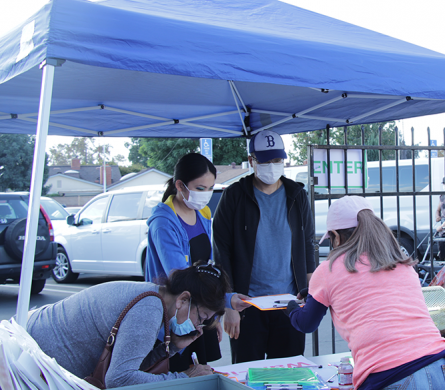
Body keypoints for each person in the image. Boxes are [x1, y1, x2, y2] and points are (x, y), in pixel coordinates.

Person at [287, 196, 445, 390]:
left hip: (390, 375)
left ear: (336, 236)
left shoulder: (328, 269)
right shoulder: (400, 262)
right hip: (443, 365)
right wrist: (315, 294)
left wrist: (290, 307)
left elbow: (306, 323)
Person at [26, 263, 226, 388]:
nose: (198, 326)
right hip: (33, 363)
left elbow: (129, 366)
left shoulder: (155, 296)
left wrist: (173, 346)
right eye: (202, 317)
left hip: (39, 352)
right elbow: (120, 379)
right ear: (183, 299)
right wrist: (184, 377)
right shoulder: (149, 308)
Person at [213, 130, 316, 363]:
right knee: (248, 375)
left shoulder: (297, 195)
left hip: (290, 303)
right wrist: (228, 304)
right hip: (247, 304)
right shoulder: (234, 196)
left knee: (290, 374)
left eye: (277, 160)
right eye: (265, 161)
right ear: (252, 161)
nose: (272, 166)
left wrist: (310, 293)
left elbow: (308, 243)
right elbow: (221, 251)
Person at [145, 152, 250, 371]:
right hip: (175, 319)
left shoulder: (203, 212)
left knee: (201, 373)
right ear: (180, 186)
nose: (206, 194)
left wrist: (213, 315)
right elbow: (180, 278)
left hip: (200, 311)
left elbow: (207, 269)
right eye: (200, 189)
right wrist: (225, 300)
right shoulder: (163, 222)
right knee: (178, 376)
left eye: (211, 188)